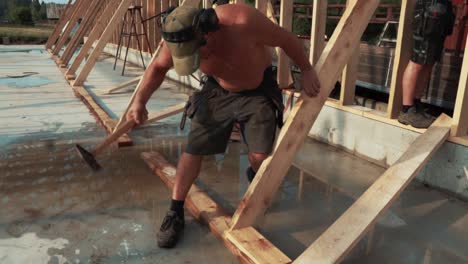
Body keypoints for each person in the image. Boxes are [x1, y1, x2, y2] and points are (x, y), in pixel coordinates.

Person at [126, 4, 320, 248]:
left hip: (258, 90)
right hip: (217, 90)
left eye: (199, 51)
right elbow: (157, 68)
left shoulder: (243, 21)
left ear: (207, 32)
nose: (198, 59)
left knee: (260, 156)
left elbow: (286, 39)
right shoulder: (179, 37)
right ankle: (175, 211)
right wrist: (139, 102)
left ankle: (255, 173)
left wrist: (307, 69)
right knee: (193, 148)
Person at [398, 0, 457, 128]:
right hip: (428, 10)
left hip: (441, 10)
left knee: (429, 63)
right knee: (417, 61)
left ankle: (416, 104)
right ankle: (407, 109)